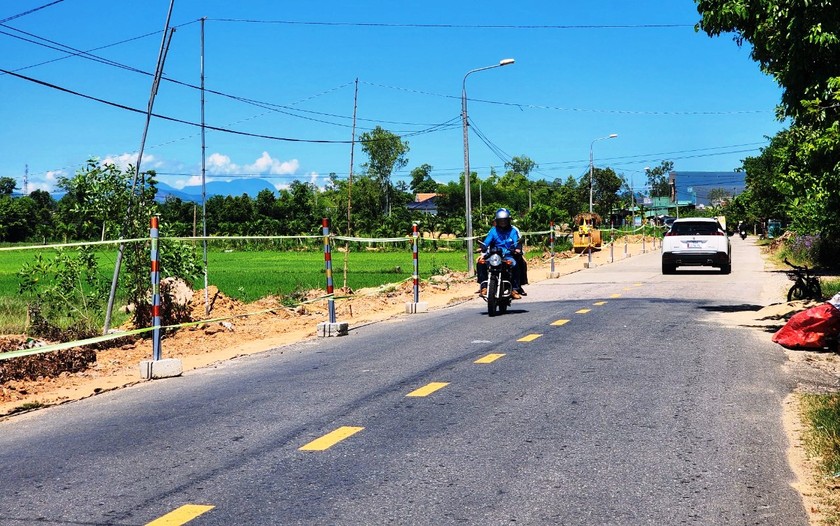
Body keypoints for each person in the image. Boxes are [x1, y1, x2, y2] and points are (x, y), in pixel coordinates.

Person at [477, 208, 521, 299]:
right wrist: (482, 247)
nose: (503, 223)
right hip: (494, 256)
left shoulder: (513, 231)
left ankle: (514, 289)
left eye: (505, 221)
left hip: (508, 256)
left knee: (515, 265)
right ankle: (484, 287)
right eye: (501, 221)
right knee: (480, 263)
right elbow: (486, 242)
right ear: (497, 221)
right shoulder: (493, 231)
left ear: (508, 220)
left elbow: (517, 242)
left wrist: (517, 249)